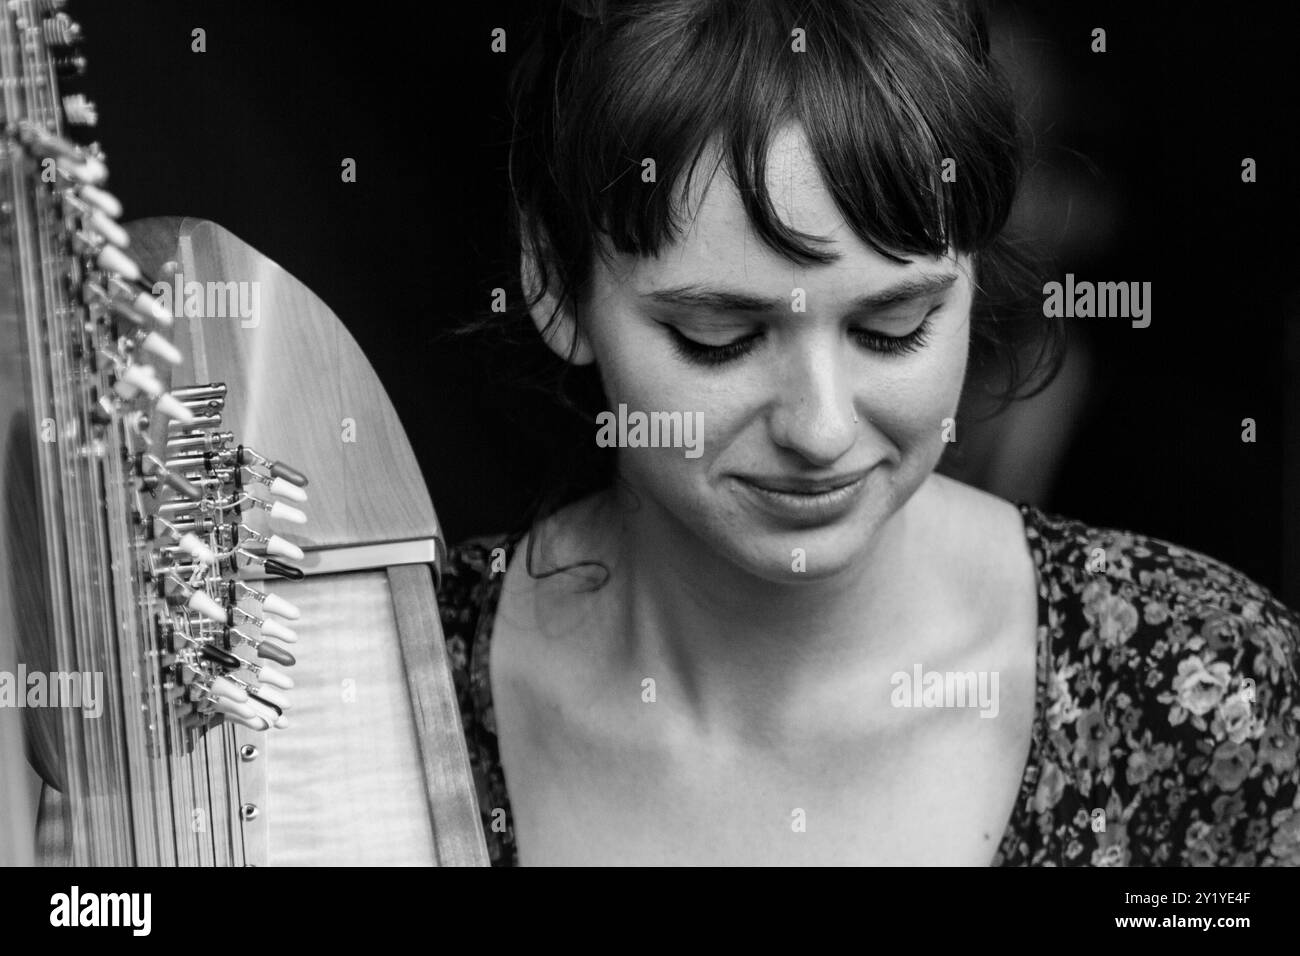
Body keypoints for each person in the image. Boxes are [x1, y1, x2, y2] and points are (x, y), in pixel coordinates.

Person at [436, 0, 1300, 865]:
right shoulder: (384, 683)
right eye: (719, 339)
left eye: (894, 330)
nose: (820, 429)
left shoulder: (1196, 688)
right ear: (552, 280)